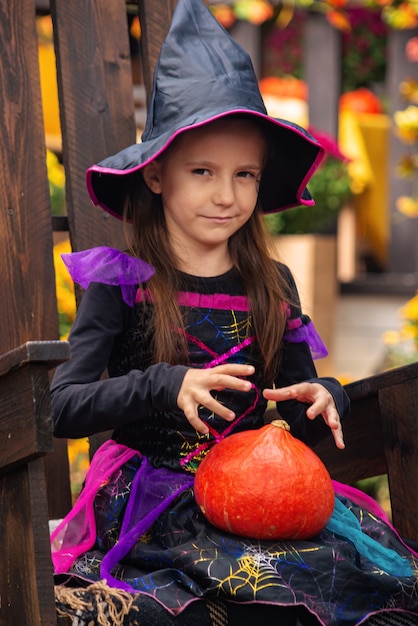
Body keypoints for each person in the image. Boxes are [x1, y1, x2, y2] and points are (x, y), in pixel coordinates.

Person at [50, 1, 418, 625]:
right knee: (186, 612)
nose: (227, 195)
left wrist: (324, 397)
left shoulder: (271, 285)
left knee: (363, 597)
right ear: (159, 174)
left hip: (258, 497)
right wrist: (167, 384)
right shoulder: (124, 281)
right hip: (153, 503)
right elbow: (65, 405)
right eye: (203, 171)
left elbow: (294, 418)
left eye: (245, 174)